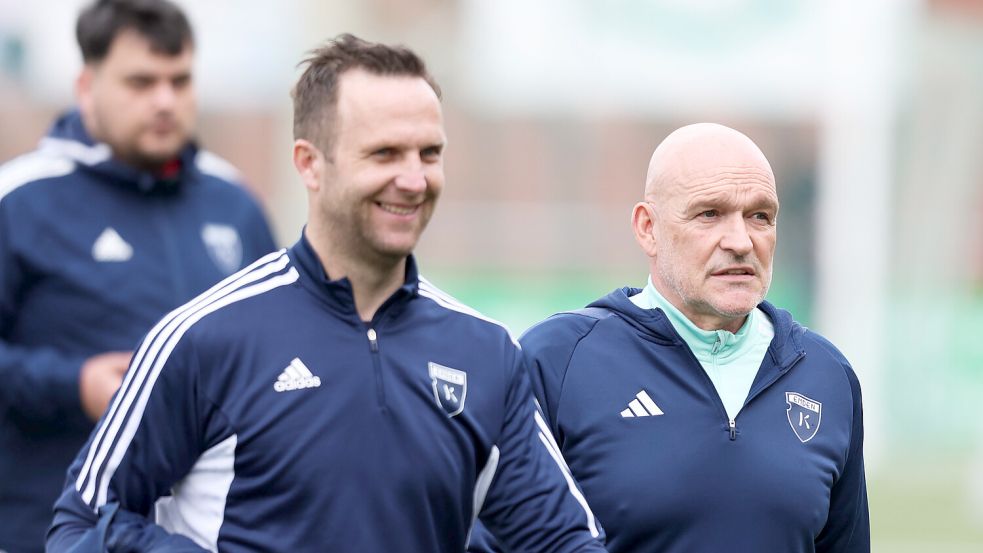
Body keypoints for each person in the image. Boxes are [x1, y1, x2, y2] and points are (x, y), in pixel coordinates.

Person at [47, 34, 605, 552]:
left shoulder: (486, 352)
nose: (414, 179)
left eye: (429, 153)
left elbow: (564, 541)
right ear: (309, 164)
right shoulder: (204, 337)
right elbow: (81, 524)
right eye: (385, 154)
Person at [471, 123, 869, 553]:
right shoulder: (557, 360)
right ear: (648, 228)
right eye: (709, 214)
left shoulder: (826, 376)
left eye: (759, 216)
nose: (740, 241)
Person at [0, 1, 277, 551]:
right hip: (47, 531)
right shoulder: (20, 200)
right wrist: (72, 384)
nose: (165, 101)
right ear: (86, 85)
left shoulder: (235, 205)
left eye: (180, 80)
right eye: (141, 82)